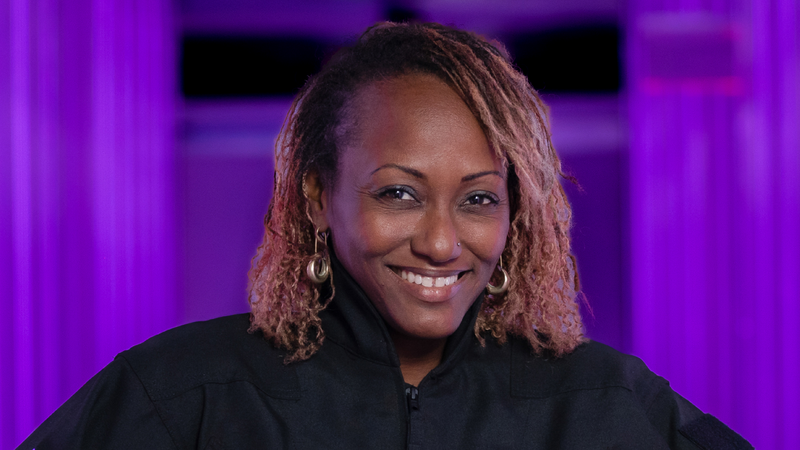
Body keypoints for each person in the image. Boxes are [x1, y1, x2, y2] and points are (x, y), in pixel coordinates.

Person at [19, 22, 751, 449]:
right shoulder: (184, 397)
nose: (440, 243)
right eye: (398, 192)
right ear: (316, 196)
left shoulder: (608, 406)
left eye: (478, 199)